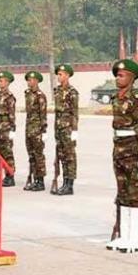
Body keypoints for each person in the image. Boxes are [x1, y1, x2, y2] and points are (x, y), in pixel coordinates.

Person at [106, 59, 138, 253]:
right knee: (122, 192)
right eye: (117, 74)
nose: (117, 78)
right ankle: (124, 235)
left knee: (135, 193)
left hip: (132, 149)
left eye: (121, 75)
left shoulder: (137, 100)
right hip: (119, 148)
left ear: (131, 78)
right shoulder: (117, 98)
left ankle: (135, 238)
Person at [52, 64, 79, 196]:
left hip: (68, 128)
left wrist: (75, 130)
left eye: (61, 74)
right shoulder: (57, 91)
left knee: (70, 156)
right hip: (59, 128)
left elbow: (74, 112)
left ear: (67, 75)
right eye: (58, 74)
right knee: (62, 156)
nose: (59, 76)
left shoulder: (72, 92)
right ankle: (64, 182)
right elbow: (57, 113)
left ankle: (70, 184)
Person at [24, 71, 48, 192]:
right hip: (29, 128)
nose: (29, 82)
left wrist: (44, 130)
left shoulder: (40, 95)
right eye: (28, 80)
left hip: (37, 128)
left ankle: (40, 181)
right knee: (31, 155)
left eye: (32, 80)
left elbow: (43, 114)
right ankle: (34, 178)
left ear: (37, 81)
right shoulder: (27, 94)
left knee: (38, 155)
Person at [0, 70, 17, 187]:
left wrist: (12, 129)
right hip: (0, 127)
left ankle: (10, 175)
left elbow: (12, 113)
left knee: (8, 152)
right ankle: (4, 174)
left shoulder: (10, 97)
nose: (0, 83)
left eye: (2, 81)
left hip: (7, 126)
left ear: (8, 82)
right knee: (1, 152)